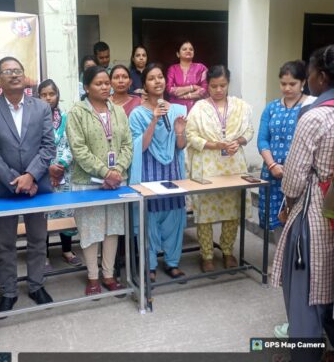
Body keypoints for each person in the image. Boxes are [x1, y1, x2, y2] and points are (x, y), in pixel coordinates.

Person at [0, 56, 56, 313]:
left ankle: (36, 285)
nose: (14, 75)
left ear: (24, 75)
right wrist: (17, 181)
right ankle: (9, 291)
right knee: (5, 243)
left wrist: (31, 176)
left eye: (18, 70)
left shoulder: (41, 108)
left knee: (38, 239)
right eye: (8, 71)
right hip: (4, 188)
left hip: (37, 187)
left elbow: (48, 147)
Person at [271, 45, 334, 346]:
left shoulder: (315, 117)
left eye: (308, 74)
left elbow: (294, 179)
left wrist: (288, 205)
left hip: (317, 210)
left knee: (306, 288)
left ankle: (306, 349)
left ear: (320, 76)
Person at [67, 65, 133, 296]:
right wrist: (106, 172)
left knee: (112, 228)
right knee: (90, 230)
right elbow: (78, 149)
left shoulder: (118, 111)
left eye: (107, 83)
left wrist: (117, 170)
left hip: (116, 181)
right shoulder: (76, 113)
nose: (105, 87)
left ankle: (108, 274)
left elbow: (127, 144)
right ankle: (93, 277)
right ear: (87, 87)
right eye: (99, 83)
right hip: (88, 181)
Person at [186, 65, 254, 273]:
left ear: (228, 84)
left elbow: (249, 131)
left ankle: (227, 250)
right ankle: (206, 254)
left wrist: (238, 141)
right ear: (207, 85)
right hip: (207, 165)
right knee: (205, 211)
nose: (218, 90)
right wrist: (214, 145)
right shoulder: (199, 108)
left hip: (232, 166)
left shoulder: (240, 107)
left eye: (222, 85)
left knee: (232, 208)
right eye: (214, 86)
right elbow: (190, 135)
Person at [129, 63, 187, 282]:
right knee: (149, 220)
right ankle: (150, 264)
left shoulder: (178, 110)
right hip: (148, 173)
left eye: (160, 77)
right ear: (144, 85)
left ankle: (172, 262)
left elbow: (180, 147)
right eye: (152, 78)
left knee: (174, 217)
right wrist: (154, 119)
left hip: (172, 172)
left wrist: (180, 132)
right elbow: (140, 147)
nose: (157, 81)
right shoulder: (137, 114)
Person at [258, 60, 315, 244]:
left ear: (303, 82)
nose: (287, 88)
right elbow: (262, 140)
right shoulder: (271, 107)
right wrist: (272, 165)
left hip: (300, 175)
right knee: (276, 218)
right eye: (283, 84)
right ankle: (280, 256)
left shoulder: (312, 106)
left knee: (299, 218)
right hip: (272, 172)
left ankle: (296, 258)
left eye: (292, 84)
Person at [38, 79, 82, 268]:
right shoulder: (34, 120)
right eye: (44, 94)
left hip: (66, 173)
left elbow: (74, 143)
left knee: (66, 211)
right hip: (42, 174)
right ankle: (44, 254)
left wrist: (61, 165)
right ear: (38, 97)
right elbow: (32, 147)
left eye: (51, 94)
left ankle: (67, 250)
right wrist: (49, 167)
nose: (48, 98)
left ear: (57, 95)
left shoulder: (67, 118)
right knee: (44, 214)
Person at [166, 40, 208, 113]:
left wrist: (185, 96)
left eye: (191, 49)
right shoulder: (172, 69)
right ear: (178, 54)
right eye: (184, 49)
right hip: (176, 109)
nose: (188, 51)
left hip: (197, 109)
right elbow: (169, 89)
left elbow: (205, 89)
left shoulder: (201, 68)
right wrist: (193, 87)